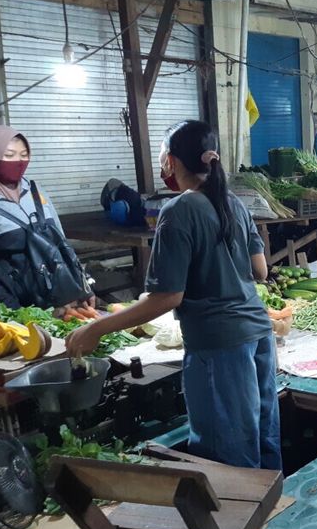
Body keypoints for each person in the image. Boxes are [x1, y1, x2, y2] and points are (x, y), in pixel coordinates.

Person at [65, 120, 281, 469]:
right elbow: (260, 271)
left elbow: (167, 297)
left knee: (227, 453)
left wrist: (95, 328)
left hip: (218, 345)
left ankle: (239, 522)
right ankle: (272, 514)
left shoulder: (179, 210)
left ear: (173, 161)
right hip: (257, 334)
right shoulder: (234, 203)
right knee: (262, 434)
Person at [0, 125, 92, 309]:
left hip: (57, 302)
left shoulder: (36, 192)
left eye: (24, 154)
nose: (18, 161)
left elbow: (60, 243)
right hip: (12, 306)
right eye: (9, 155)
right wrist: (12, 312)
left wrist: (84, 285)